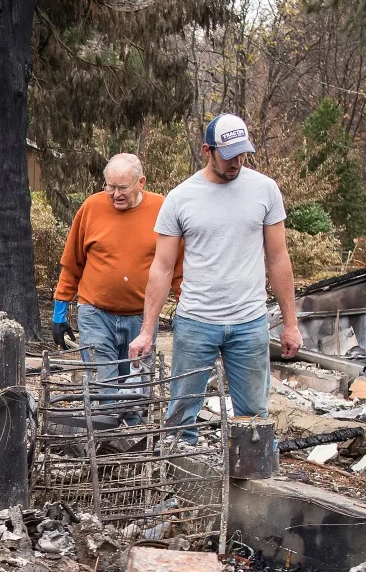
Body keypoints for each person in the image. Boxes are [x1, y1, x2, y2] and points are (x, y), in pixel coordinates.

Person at [130, 114, 302, 438]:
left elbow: (279, 258)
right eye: (228, 154)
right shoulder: (181, 198)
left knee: (253, 420)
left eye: (242, 153)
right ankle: (181, 485)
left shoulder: (264, 190)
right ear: (207, 150)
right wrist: (146, 331)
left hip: (249, 322)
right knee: (181, 418)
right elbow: (162, 267)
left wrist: (291, 324)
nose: (236, 161)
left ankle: (247, 486)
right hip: (196, 321)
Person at [50, 153, 177, 376]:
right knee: (103, 389)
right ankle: (104, 412)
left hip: (142, 318)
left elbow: (175, 266)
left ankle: (132, 412)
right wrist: (59, 312)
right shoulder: (92, 207)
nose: (115, 194)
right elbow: (73, 263)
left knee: (136, 394)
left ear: (141, 182)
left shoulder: (161, 209)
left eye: (123, 188)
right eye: (110, 187)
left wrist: (184, 305)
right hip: (96, 314)